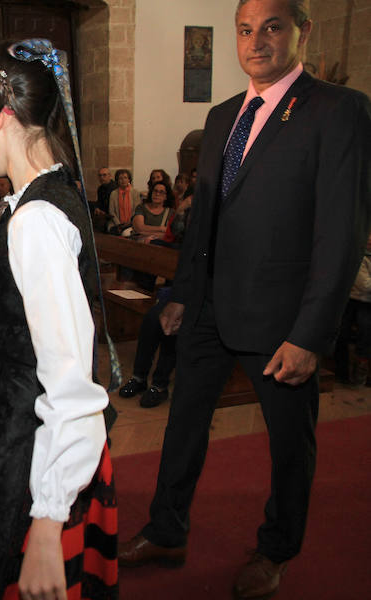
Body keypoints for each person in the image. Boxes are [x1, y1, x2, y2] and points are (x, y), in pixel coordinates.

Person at [118, 2, 371, 599]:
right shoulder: (223, 114)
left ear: (301, 32)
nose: (256, 41)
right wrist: (180, 292)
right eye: (245, 30)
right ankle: (166, 529)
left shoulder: (338, 110)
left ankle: (277, 548)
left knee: (289, 446)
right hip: (207, 310)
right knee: (182, 425)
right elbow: (204, 215)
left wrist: (311, 334)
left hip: (282, 322)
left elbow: (342, 232)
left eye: (273, 27)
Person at [0, 39, 118, 599]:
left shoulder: (36, 219)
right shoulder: (51, 192)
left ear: (0, 117)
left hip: (23, 435)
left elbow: (69, 377)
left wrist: (46, 522)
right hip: (13, 416)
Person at [333, 235, 371, 384]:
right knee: (341, 335)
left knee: (366, 336)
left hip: (367, 303)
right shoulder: (360, 257)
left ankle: (361, 371)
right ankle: (341, 372)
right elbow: (364, 285)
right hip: (351, 301)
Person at [106, 168, 139, 234]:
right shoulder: (114, 193)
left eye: (125, 178)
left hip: (132, 223)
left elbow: (136, 210)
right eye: (120, 178)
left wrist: (129, 222)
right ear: (117, 180)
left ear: (129, 179)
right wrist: (119, 224)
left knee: (127, 233)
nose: (123, 180)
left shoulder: (135, 192)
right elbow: (111, 211)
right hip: (116, 223)